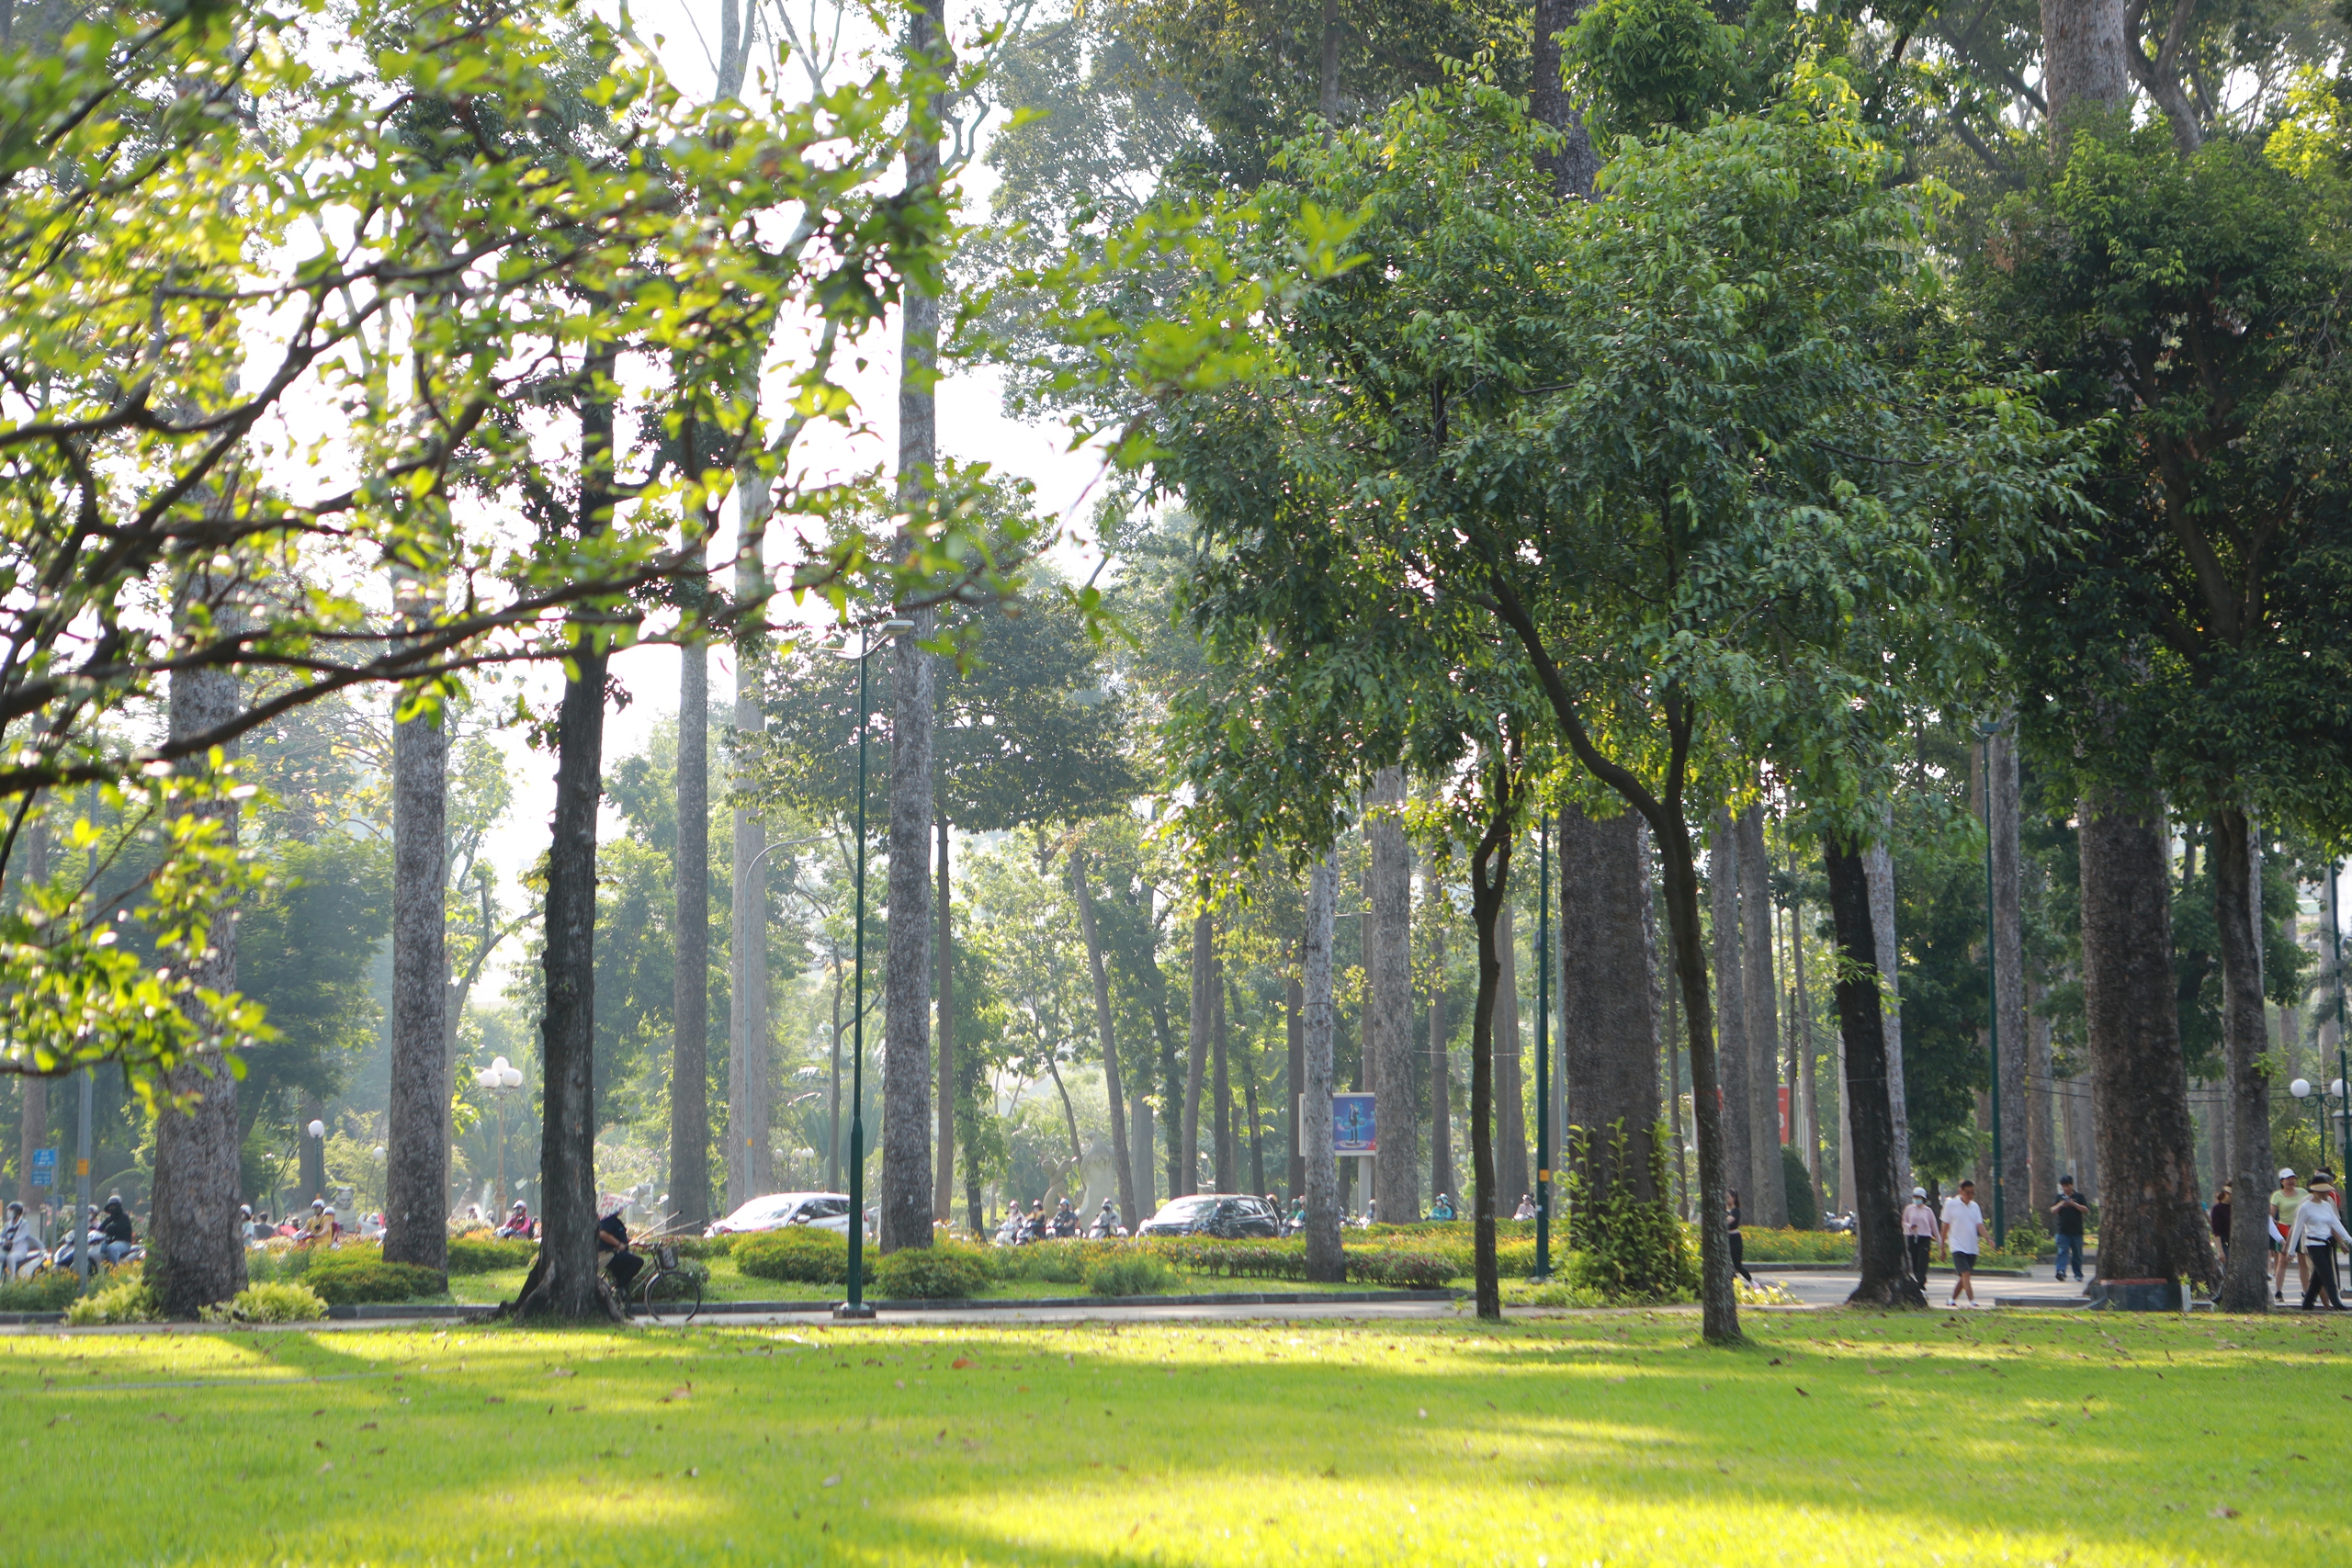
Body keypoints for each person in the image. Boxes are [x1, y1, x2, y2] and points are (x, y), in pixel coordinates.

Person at [2289, 1172, 2348, 1311]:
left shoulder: (2327, 1206)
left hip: (2326, 1244)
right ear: (2313, 1191)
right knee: (2328, 1276)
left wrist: (2348, 1239)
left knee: (2318, 1277)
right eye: (2321, 1191)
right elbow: (2297, 1229)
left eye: (2326, 1191)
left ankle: (2307, 1304)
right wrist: (2291, 1251)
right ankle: (2337, 1304)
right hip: (2313, 1245)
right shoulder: (2306, 1207)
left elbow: (2336, 1224)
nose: (2324, 1194)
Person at [1940, 1179, 1985, 1307]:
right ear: (1960, 1191)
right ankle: (1972, 1300)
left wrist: (1988, 1238)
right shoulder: (1950, 1205)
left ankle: (1952, 1299)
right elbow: (1945, 1226)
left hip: (1971, 1247)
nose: (1970, 1196)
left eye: (1972, 1193)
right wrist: (1942, 1246)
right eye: (1967, 1193)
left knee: (1963, 1277)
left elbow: (1979, 1225)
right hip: (1957, 1245)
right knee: (1966, 1273)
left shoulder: (1974, 1206)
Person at [2271, 1169, 2307, 1303]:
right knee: (2282, 1261)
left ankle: (2306, 1291)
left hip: (2301, 1229)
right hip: (2285, 1229)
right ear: (2282, 1181)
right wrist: (2274, 1225)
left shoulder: (2303, 1193)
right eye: (2287, 1179)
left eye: (2293, 1178)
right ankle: (2279, 1291)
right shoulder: (2277, 1195)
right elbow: (2271, 1213)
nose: (2291, 1181)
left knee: (2303, 1261)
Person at [596, 1196, 643, 1293]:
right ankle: (618, 1289)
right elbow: (602, 1234)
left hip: (617, 1254)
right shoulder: (607, 1220)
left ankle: (621, 1299)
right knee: (638, 1262)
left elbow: (619, 1237)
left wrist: (636, 1242)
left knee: (624, 1279)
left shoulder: (616, 1221)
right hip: (609, 1255)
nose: (622, 1209)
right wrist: (618, 1244)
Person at [2050, 1176, 2091, 1283]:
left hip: (2077, 1231)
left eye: (2067, 1186)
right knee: (2062, 1252)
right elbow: (2053, 1210)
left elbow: (2086, 1210)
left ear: (2072, 1185)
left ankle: (2078, 1274)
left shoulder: (2079, 1196)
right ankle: (2061, 1271)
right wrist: (2062, 1204)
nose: (2066, 1188)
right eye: (2063, 1186)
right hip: (2063, 1231)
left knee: (2077, 1254)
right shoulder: (2059, 1197)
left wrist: (2074, 1204)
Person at [1901, 1186, 1939, 1292]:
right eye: (1915, 1197)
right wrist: (1909, 1226)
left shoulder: (1928, 1211)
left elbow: (1934, 1227)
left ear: (1923, 1198)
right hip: (1912, 1237)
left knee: (1923, 1260)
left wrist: (1940, 1242)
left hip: (1925, 1237)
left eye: (1919, 1197)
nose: (1916, 1199)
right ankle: (1918, 1280)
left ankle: (1921, 1283)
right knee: (1915, 1259)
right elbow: (1903, 1221)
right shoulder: (1909, 1209)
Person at [1, 1201, 40, 1280]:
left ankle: (12, 1278)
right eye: (8, 1211)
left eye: (11, 1211)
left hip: (20, 1251)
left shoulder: (24, 1224)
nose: (9, 1213)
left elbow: (23, 1236)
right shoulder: (7, 1225)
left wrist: (11, 1241)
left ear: (17, 1213)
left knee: (11, 1257)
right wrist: (3, 1241)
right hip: (8, 1250)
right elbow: (1, 1236)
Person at [96, 1196, 137, 1264]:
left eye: (114, 1206)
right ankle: (106, 1269)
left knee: (112, 1248)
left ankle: (115, 1269)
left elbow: (116, 1228)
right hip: (110, 1241)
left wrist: (110, 1228)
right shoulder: (109, 1219)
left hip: (124, 1242)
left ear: (118, 1206)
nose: (112, 1209)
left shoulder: (124, 1218)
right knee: (102, 1248)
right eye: (110, 1207)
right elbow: (100, 1229)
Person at [1726, 1190, 1753, 1283]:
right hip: (1726, 1239)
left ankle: (1752, 1282)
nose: (1726, 1199)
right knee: (1725, 1263)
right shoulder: (1725, 1210)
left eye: (1728, 1197)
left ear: (1733, 1198)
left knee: (1737, 1265)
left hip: (1735, 1239)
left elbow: (1728, 1221)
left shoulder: (1736, 1211)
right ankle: (1733, 1283)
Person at [2207, 1186, 2232, 1270]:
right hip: (2224, 1243)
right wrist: (2220, 1251)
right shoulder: (2217, 1209)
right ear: (2226, 1194)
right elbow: (2216, 1231)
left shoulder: (2236, 1208)